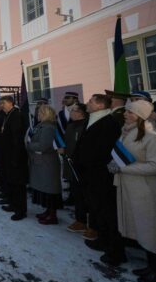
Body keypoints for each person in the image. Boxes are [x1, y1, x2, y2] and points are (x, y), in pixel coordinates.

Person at [108, 100, 156, 282]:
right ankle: (151, 267)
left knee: (153, 232)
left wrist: (124, 169)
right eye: (126, 112)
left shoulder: (153, 137)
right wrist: (115, 165)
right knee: (142, 230)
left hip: (146, 190)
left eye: (130, 113)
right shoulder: (127, 132)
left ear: (141, 116)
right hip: (131, 188)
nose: (126, 115)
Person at [74, 94, 124, 266]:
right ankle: (102, 240)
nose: (87, 103)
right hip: (90, 174)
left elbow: (102, 150)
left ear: (100, 105)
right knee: (96, 209)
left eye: (91, 101)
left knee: (107, 211)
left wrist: (87, 162)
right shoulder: (93, 119)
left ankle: (115, 250)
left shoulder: (108, 123)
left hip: (101, 175)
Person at [27, 105, 62, 225]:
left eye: (41, 113)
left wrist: (29, 145)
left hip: (47, 163)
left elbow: (43, 146)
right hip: (41, 162)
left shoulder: (48, 128)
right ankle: (48, 211)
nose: (38, 115)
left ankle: (52, 215)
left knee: (50, 190)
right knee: (44, 189)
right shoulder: (41, 126)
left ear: (46, 114)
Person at [63, 103, 91, 234]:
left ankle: (89, 223)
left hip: (81, 166)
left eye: (73, 110)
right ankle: (80, 220)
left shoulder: (86, 126)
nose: (71, 112)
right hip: (70, 163)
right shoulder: (70, 125)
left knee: (85, 195)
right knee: (76, 194)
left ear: (81, 113)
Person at [0, 96, 28, 221]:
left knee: (18, 185)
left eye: (3, 103)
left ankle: (20, 210)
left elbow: (17, 138)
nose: (1, 105)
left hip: (16, 156)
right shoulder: (8, 115)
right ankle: (13, 204)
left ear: (11, 103)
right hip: (8, 155)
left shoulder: (16, 115)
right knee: (11, 181)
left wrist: (15, 157)